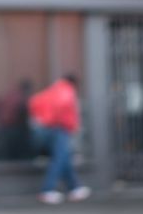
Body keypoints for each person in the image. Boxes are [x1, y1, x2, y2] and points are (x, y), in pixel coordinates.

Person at [28, 74, 90, 205]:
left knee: (63, 157)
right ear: (75, 84)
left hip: (44, 129)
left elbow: (34, 102)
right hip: (58, 128)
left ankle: (75, 188)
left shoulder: (52, 90)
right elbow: (64, 106)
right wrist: (71, 125)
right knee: (60, 158)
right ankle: (47, 190)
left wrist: (42, 118)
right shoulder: (67, 90)